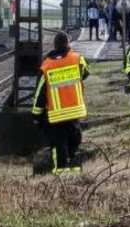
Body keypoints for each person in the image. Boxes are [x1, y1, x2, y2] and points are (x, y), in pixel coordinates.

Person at [31, 30, 89, 173]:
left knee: (58, 145)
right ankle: (75, 172)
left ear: (54, 45)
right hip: (74, 111)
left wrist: (36, 116)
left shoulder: (47, 66)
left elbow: (40, 94)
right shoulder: (77, 59)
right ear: (68, 44)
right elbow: (86, 72)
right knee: (73, 142)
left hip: (56, 115)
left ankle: (61, 173)